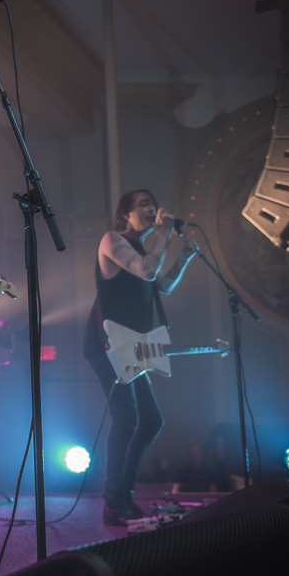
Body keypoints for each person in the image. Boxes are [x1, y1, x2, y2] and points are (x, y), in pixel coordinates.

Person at [83, 189, 197, 526]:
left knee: (150, 420)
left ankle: (123, 494)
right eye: (143, 205)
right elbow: (147, 271)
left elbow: (162, 285)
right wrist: (164, 233)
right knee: (127, 418)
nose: (151, 209)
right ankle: (114, 500)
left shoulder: (145, 252)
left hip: (132, 346)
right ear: (125, 216)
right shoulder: (112, 241)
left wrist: (184, 258)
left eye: (152, 203)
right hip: (107, 344)